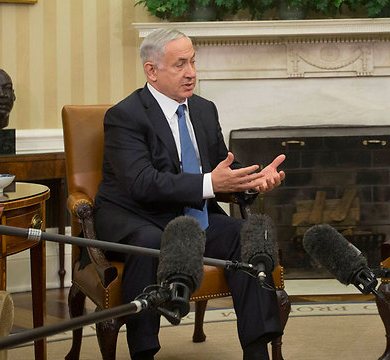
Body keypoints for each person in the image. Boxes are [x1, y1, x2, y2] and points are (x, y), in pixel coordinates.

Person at [94, 28, 286, 360]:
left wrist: (251, 180)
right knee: (150, 243)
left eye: (193, 61)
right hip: (137, 218)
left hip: (191, 217)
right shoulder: (125, 116)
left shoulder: (203, 110)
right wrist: (212, 183)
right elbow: (143, 182)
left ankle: (257, 351)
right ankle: (144, 352)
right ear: (151, 71)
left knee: (253, 236)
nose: (192, 73)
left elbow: (221, 166)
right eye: (180, 64)